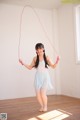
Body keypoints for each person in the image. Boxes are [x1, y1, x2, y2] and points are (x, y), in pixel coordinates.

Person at [19, 43, 59, 112]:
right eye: (37, 49)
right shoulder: (35, 58)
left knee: (43, 93)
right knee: (38, 95)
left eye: (40, 49)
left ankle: (45, 106)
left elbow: (53, 66)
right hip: (38, 78)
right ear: (36, 50)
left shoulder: (47, 57)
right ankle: (42, 106)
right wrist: (23, 63)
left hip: (45, 77)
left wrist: (57, 61)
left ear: (43, 49)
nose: (39, 50)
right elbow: (30, 67)